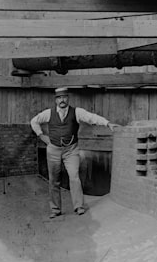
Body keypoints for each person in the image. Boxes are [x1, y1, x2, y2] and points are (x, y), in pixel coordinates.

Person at [30, 87, 117, 218]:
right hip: (53, 149)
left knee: (74, 176)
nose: (62, 100)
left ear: (68, 98)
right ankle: (55, 209)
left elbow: (91, 117)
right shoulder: (48, 113)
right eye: (59, 98)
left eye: (64, 97)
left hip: (71, 150)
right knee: (54, 180)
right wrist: (41, 135)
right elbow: (34, 121)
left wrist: (107, 123)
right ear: (56, 100)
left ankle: (79, 206)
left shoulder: (77, 112)